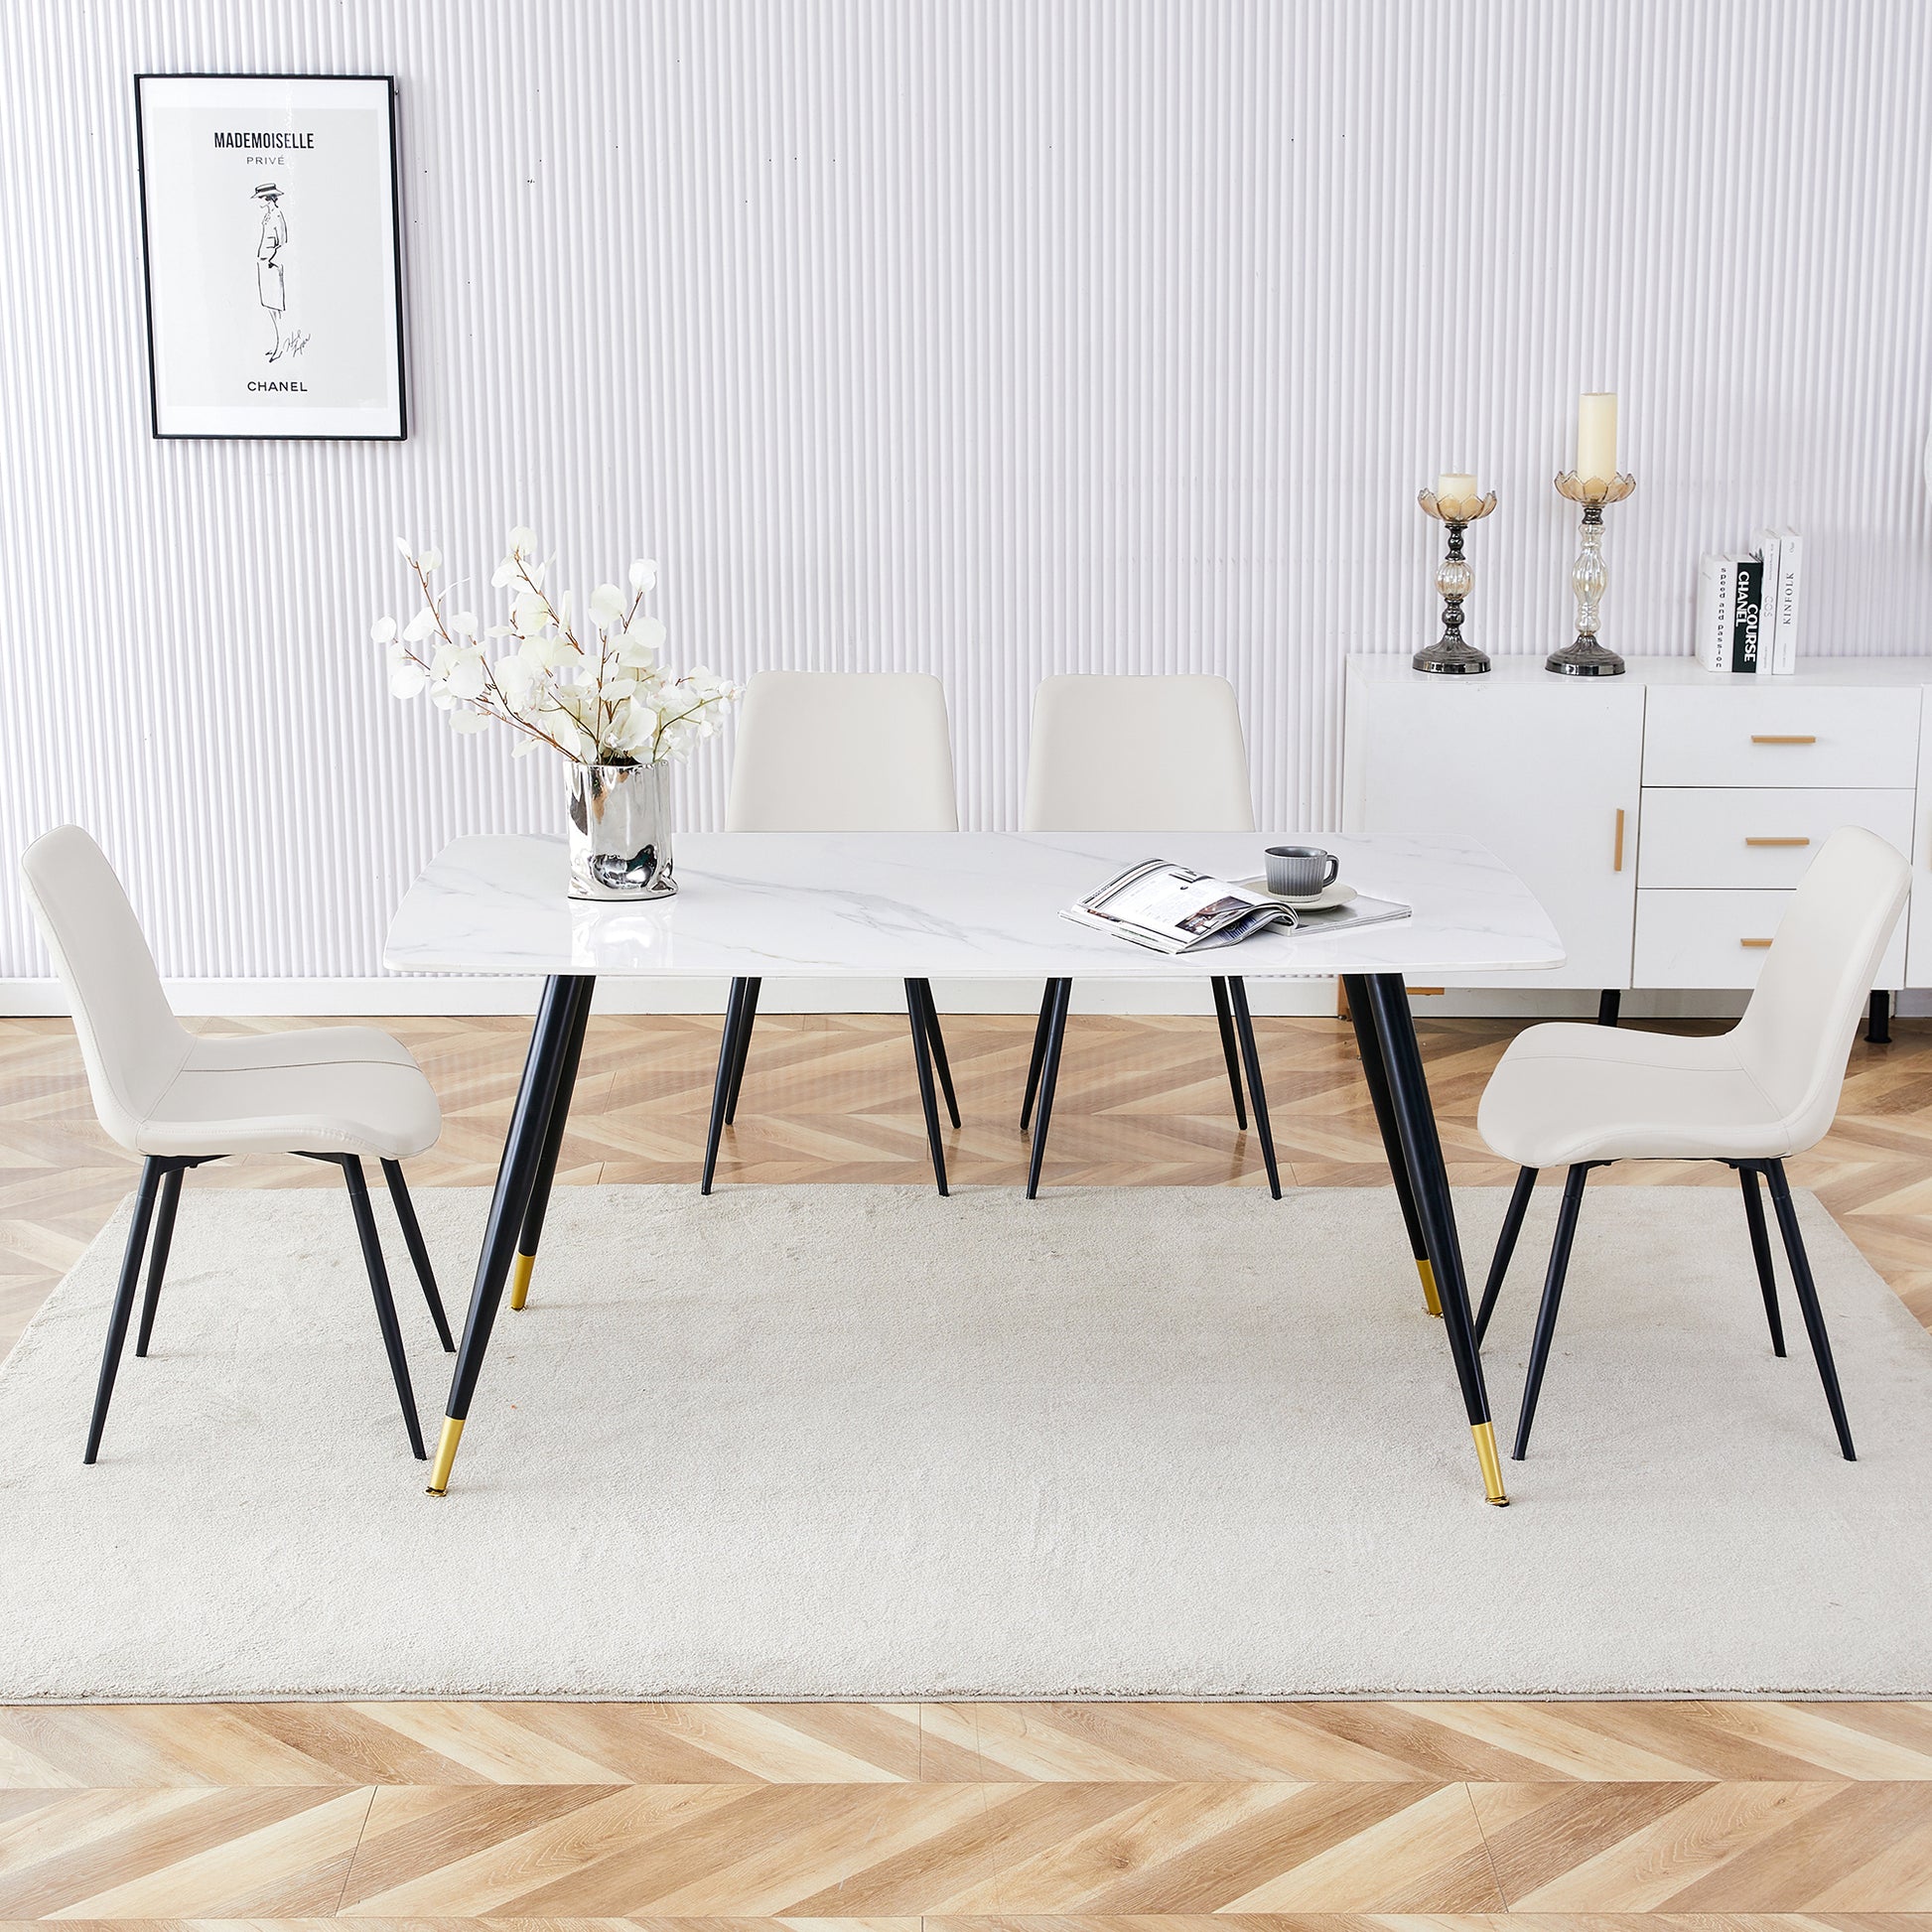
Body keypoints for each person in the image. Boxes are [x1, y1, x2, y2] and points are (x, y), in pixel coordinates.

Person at [253, 181, 288, 362]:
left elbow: (281, 241)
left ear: (267, 198)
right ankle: (277, 343)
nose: (258, 201)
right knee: (269, 306)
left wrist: (270, 259)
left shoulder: (276, 215)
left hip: (271, 265)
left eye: (260, 198)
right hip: (264, 263)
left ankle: (281, 345)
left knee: (276, 306)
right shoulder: (268, 215)